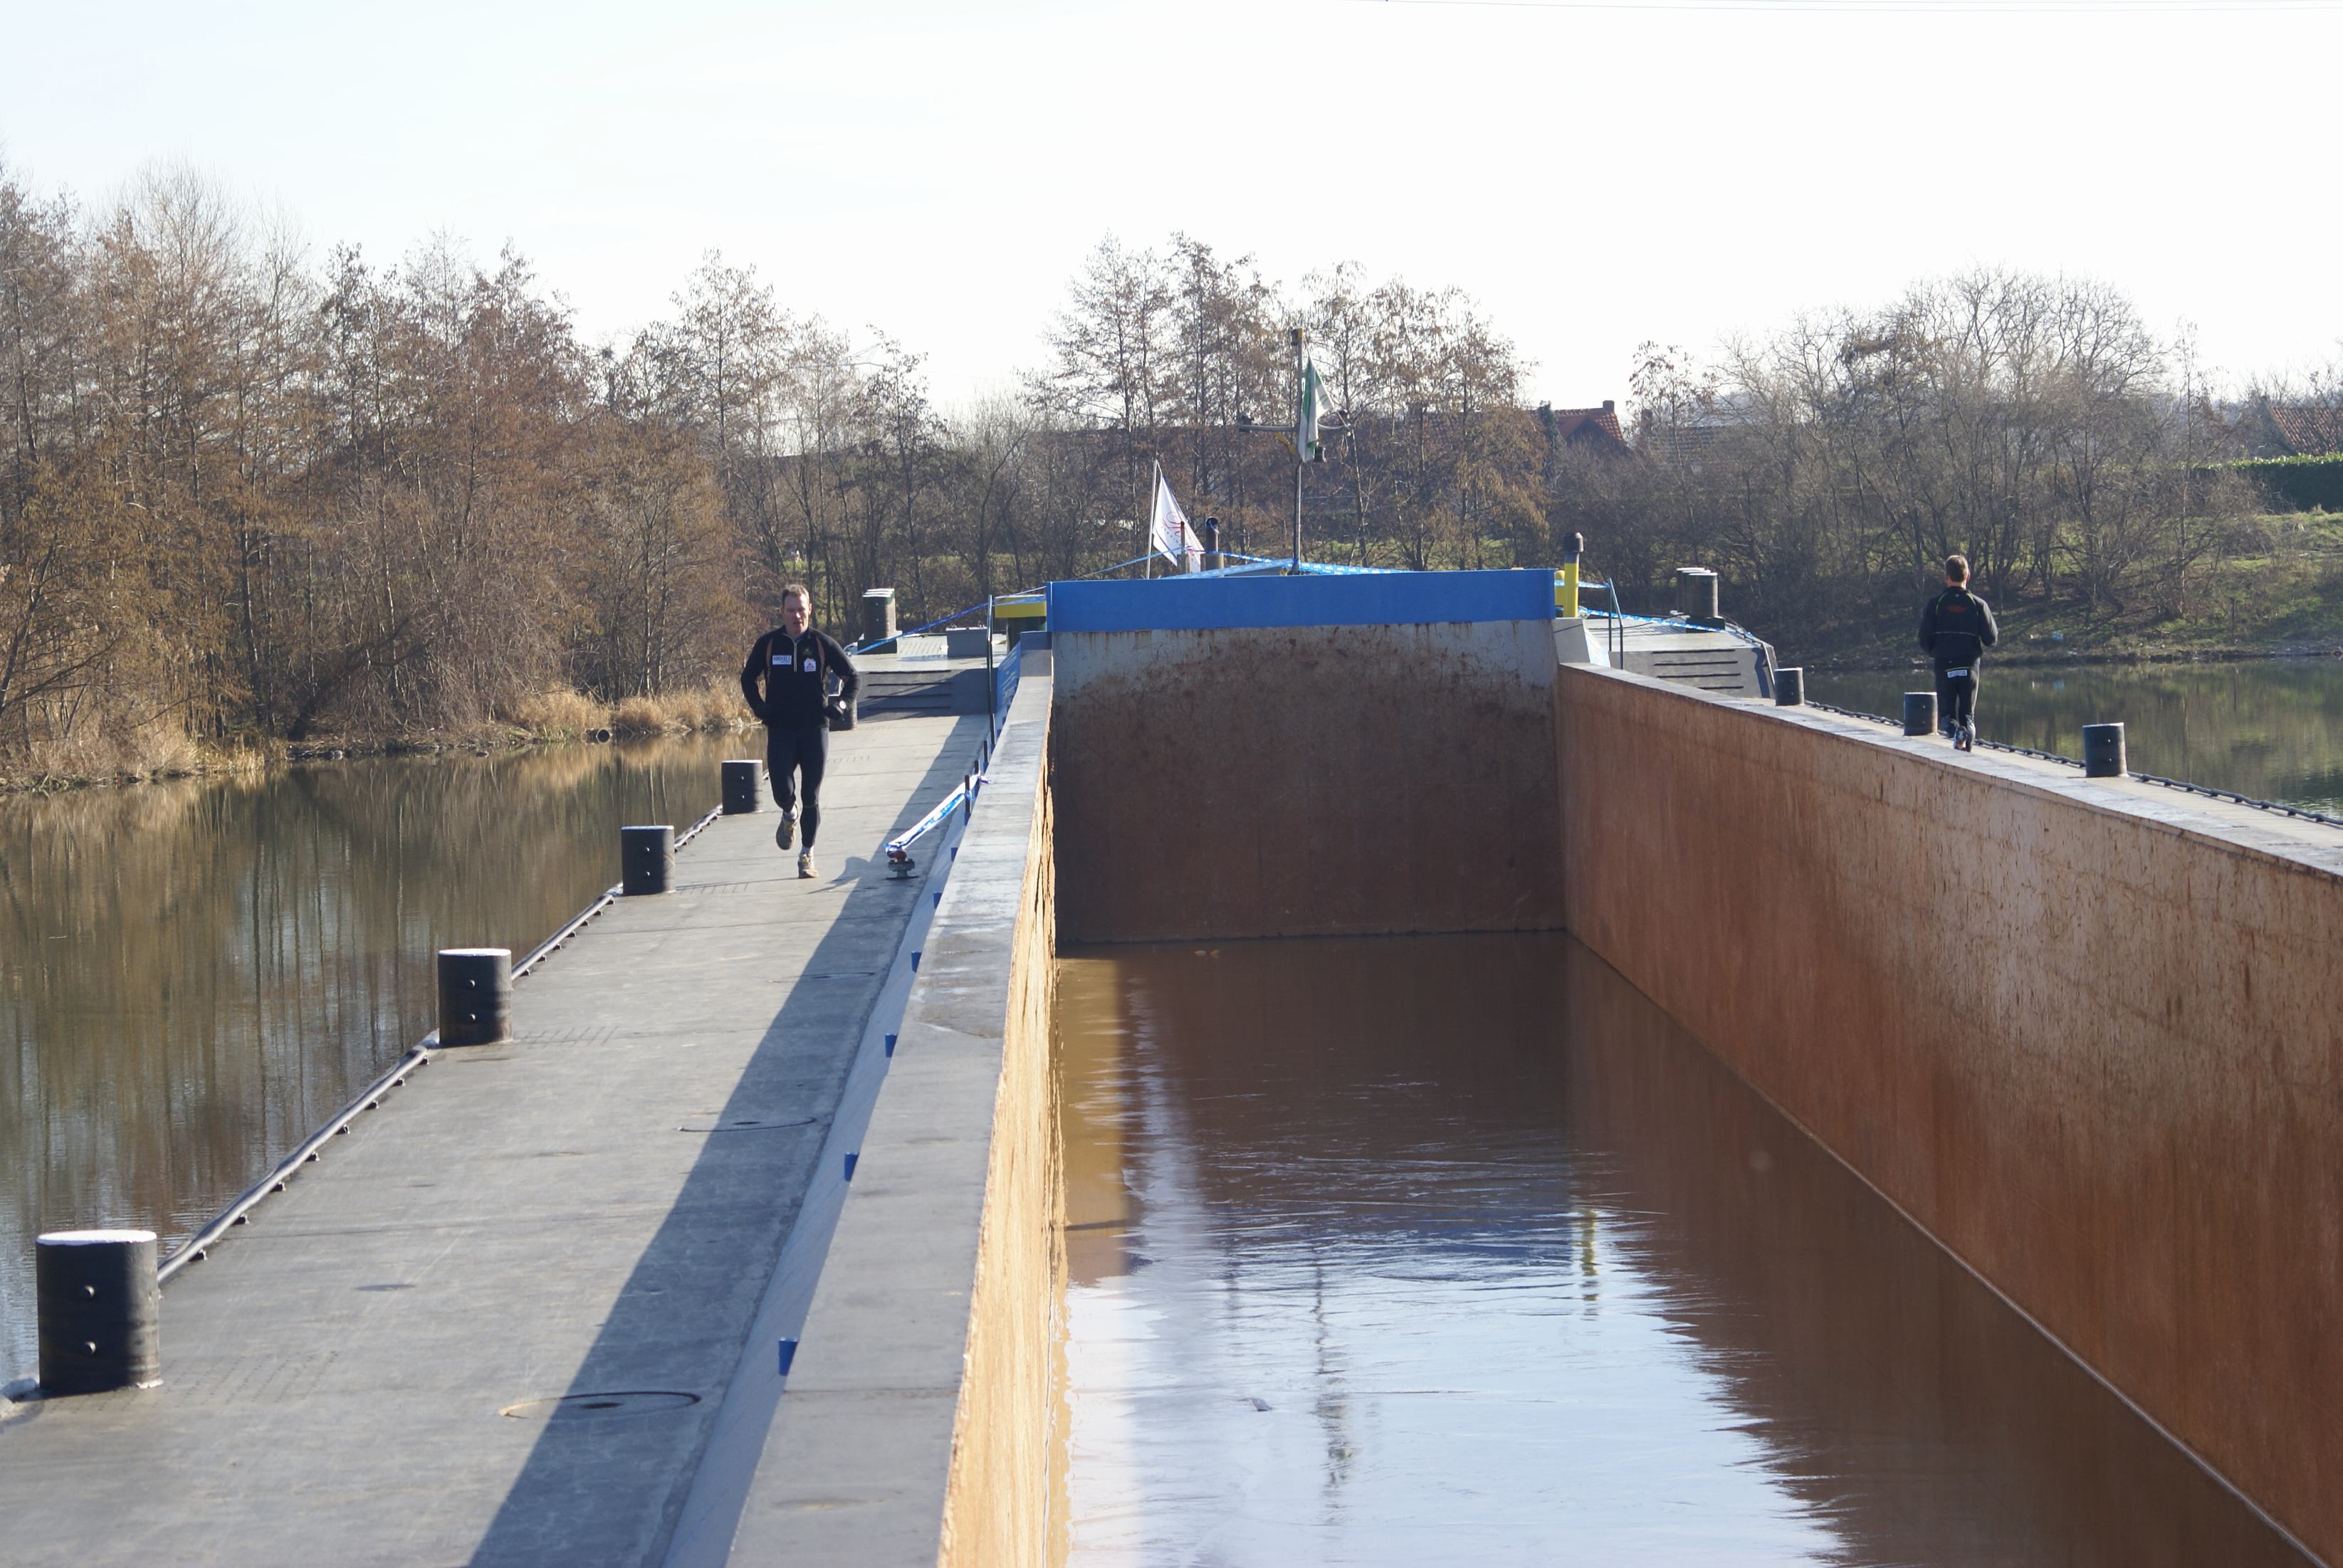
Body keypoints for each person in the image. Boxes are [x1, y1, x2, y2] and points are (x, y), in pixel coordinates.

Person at [740, 584, 859, 878]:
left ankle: (807, 855)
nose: (796, 616)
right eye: (791, 610)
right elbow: (748, 678)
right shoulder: (769, 644)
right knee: (782, 790)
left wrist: (842, 705)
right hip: (781, 728)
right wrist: (759, 707)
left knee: (811, 795)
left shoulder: (821, 644)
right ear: (782, 612)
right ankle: (788, 813)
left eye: (801, 610)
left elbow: (853, 678)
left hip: (814, 729)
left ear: (810, 610)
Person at [1918, 554, 1998, 752]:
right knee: (1968, 716)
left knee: (1946, 717)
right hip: (1970, 665)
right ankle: (1966, 747)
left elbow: (1924, 639)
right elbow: (1991, 638)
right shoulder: (1978, 604)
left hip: (1944, 664)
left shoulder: (1936, 603)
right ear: (1968, 576)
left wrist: (1937, 651)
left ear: (1946, 577)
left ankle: (1956, 732)